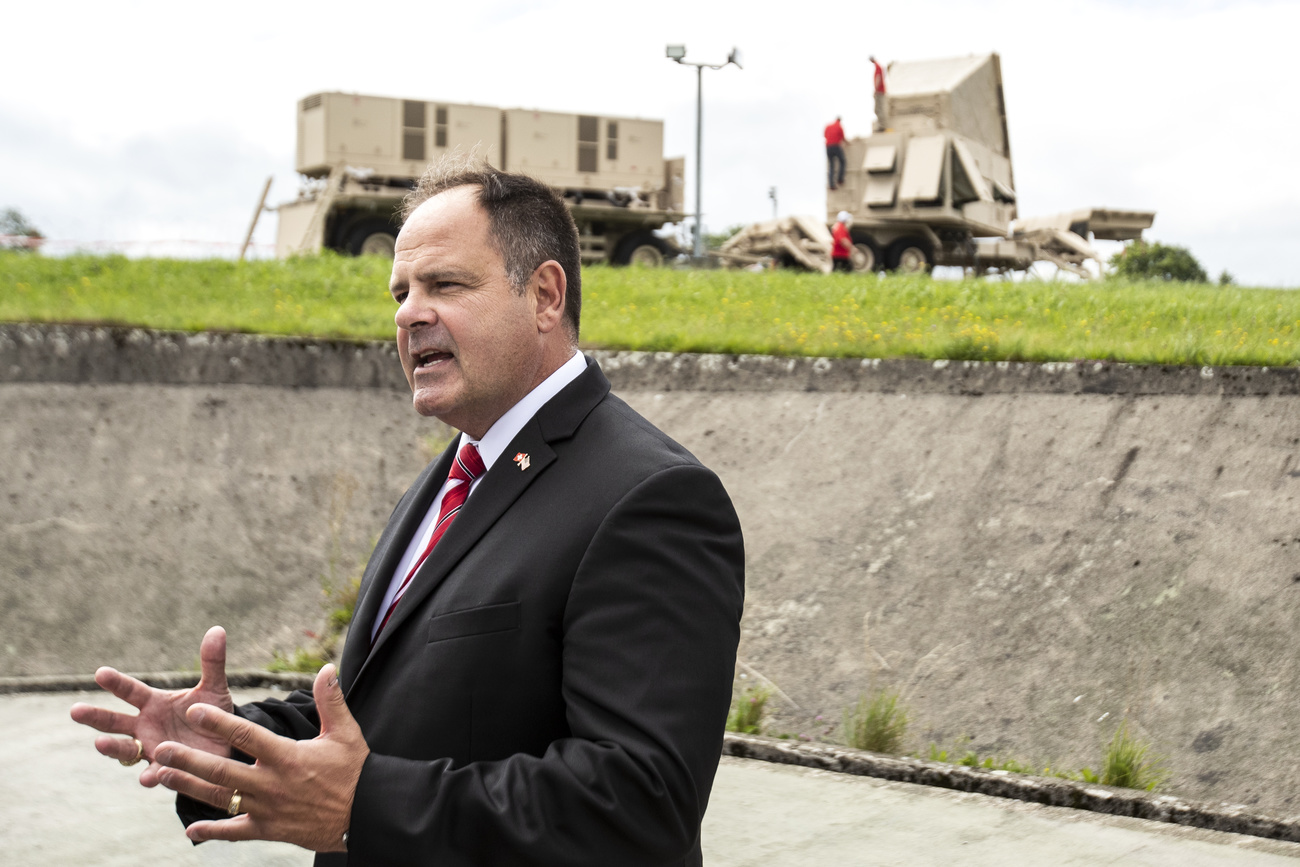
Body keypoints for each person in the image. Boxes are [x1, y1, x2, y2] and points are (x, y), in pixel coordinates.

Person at [70, 159, 746, 867]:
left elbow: (641, 804)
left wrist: (365, 807)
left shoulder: (649, 498)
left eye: (445, 284)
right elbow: (387, 711)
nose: (407, 313)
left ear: (545, 294)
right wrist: (230, 738)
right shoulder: (454, 475)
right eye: (401, 291)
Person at [824, 115, 846, 190]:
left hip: (828, 147)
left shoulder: (828, 126)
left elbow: (825, 135)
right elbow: (843, 138)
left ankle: (831, 184)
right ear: (839, 121)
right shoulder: (839, 127)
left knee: (831, 165)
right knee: (842, 161)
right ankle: (840, 179)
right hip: (836, 146)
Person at [870, 56, 888, 133]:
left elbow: (878, 78)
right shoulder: (879, 66)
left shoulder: (877, 66)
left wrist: (876, 89)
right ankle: (881, 125)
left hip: (879, 91)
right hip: (880, 91)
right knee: (878, 109)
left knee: (878, 109)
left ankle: (882, 126)